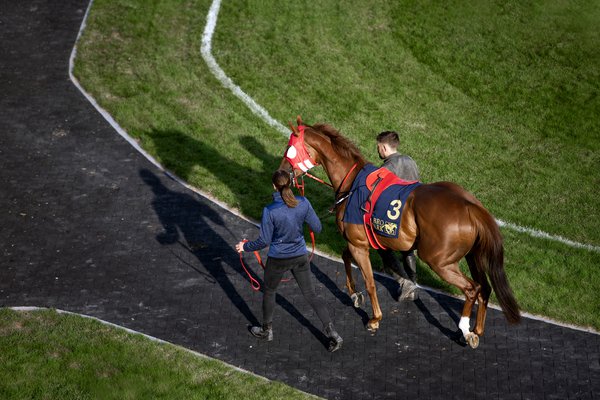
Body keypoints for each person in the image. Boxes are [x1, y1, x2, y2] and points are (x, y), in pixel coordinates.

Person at [235, 170, 343, 352]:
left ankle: (266, 330)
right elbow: (317, 228)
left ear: (274, 186)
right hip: (300, 256)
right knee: (311, 295)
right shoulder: (303, 203)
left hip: (278, 259)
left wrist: (244, 247)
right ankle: (333, 333)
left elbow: (264, 241)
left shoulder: (269, 210)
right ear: (291, 184)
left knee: (269, 291)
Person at [376, 131, 420, 301]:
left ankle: (404, 282)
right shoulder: (410, 160)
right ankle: (414, 283)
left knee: (380, 245)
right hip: (414, 216)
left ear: (385, 147)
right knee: (408, 250)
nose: (378, 151)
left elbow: (378, 196)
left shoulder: (386, 168)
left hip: (396, 219)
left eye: (379, 147)